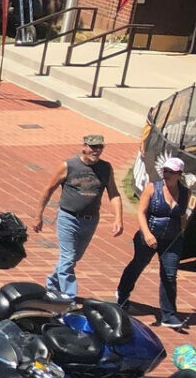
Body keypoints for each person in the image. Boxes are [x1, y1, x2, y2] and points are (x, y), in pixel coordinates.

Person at [34, 134, 126, 300]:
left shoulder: (106, 168)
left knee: (73, 258)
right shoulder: (68, 165)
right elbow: (48, 190)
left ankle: (52, 285)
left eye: (100, 147)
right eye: (93, 147)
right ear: (84, 146)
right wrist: (38, 216)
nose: (96, 150)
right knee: (68, 258)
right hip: (68, 218)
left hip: (90, 221)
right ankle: (69, 298)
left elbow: (114, 194)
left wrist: (118, 219)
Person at [116, 155, 190, 327]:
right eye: (165, 170)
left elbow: (182, 215)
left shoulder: (185, 192)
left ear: (179, 174)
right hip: (149, 236)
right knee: (138, 265)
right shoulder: (152, 188)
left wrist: (182, 232)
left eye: (171, 172)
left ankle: (168, 315)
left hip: (172, 240)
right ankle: (122, 294)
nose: (166, 174)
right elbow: (141, 212)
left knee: (169, 275)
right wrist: (147, 234)